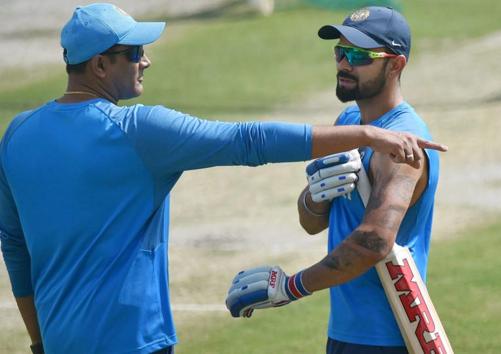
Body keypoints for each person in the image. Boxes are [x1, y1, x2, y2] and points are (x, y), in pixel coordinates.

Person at [0, 3, 448, 354]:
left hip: (60, 342)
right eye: (135, 52)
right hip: (133, 340)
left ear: (396, 64)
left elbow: (15, 248)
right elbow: (247, 141)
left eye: (359, 54)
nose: (147, 60)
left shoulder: (16, 135)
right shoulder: (138, 131)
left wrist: (40, 342)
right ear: (99, 66)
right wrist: (356, 146)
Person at [226, 6, 441, 354]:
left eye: (359, 55)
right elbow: (312, 223)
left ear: (396, 64)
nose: (344, 64)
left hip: (386, 336)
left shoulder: (403, 144)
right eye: (340, 52)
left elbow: (373, 241)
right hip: (346, 331)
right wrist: (315, 197)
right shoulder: (351, 119)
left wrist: (291, 287)